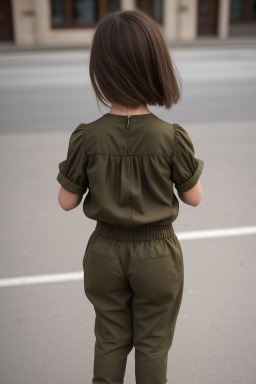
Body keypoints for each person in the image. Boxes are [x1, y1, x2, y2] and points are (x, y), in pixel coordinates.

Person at [57, 9, 204, 384]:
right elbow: (194, 197)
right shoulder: (171, 136)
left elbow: (66, 201)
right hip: (157, 253)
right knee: (153, 344)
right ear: (155, 66)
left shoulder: (86, 136)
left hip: (104, 251)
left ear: (100, 71)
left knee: (109, 338)